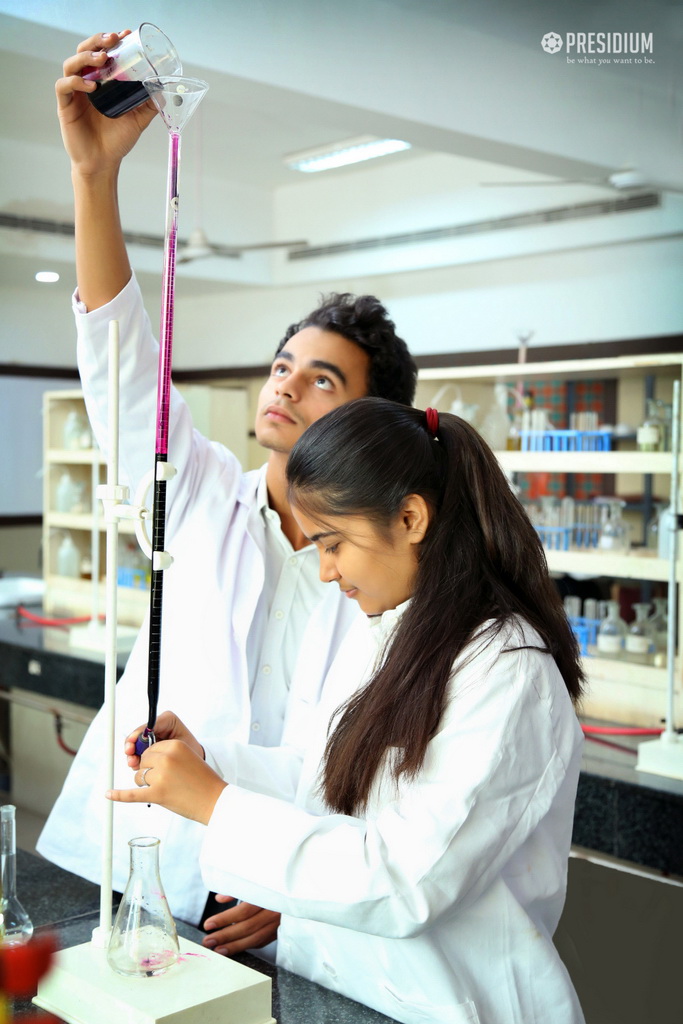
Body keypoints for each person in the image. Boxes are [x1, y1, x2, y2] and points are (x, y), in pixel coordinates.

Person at [37, 31, 417, 955]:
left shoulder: (396, 573)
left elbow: (376, 776)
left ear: (372, 422)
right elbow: (124, 365)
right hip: (143, 864)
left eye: (322, 379)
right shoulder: (198, 492)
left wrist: (304, 889)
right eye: (282, 365)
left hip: (291, 898)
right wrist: (95, 177)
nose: (283, 385)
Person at [109, 398, 587, 1024]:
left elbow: (405, 881)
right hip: (344, 988)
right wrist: (212, 765)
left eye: (333, 543)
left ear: (411, 517)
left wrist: (216, 804)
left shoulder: (507, 667)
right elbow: (329, 779)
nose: (326, 571)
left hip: (449, 1003)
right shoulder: (391, 626)